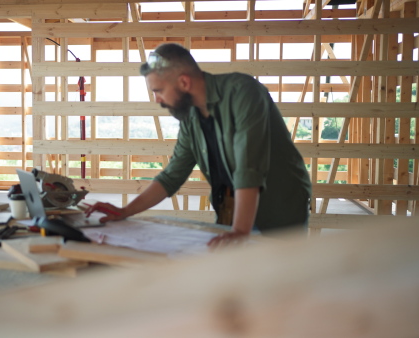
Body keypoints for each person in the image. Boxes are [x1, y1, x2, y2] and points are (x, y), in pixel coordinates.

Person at [85, 43, 311, 248]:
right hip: (231, 210)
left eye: (159, 91)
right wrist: (125, 211)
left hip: (279, 209)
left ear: (184, 82)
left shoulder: (243, 92)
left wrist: (240, 231)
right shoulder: (191, 118)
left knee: (279, 282)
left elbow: (248, 167)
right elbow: (172, 175)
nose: (156, 100)